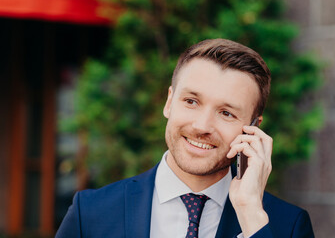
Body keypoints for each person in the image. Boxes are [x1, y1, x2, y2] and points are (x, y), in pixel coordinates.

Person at [56, 38, 314, 238]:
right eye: (191, 101)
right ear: (169, 102)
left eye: (226, 113)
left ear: (253, 128)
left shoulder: (286, 225)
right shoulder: (90, 213)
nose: (202, 125)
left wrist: (250, 214)